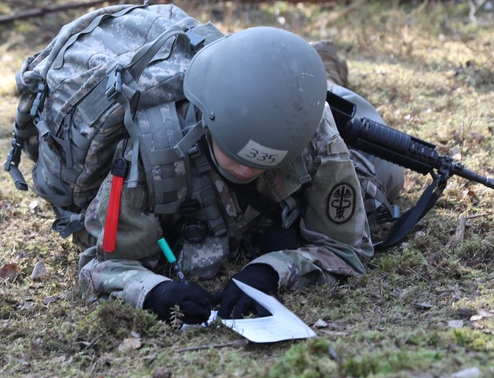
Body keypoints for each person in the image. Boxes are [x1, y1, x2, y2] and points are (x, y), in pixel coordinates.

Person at [76, 26, 403, 324]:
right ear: (206, 122)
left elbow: (346, 249)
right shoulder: (153, 150)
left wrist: (271, 271)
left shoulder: (314, 135)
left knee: (387, 176)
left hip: (291, 139)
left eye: (261, 164)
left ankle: (323, 70)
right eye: (235, 155)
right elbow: (103, 266)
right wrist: (154, 292)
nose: (247, 170)